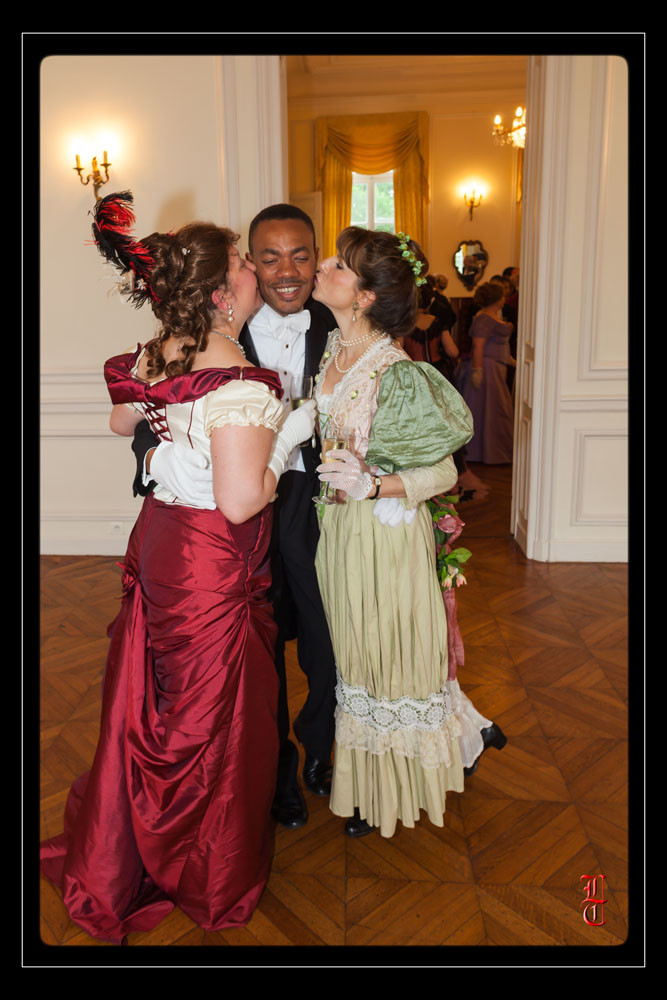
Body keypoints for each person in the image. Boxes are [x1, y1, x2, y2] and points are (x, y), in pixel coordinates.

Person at [39, 192, 317, 944]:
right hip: (209, 558)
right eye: (245, 262)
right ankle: (199, 866)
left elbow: (120, 418)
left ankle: (134, 840)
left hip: (161, 537)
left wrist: (172, 431)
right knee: (211, 715)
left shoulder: (160, 350)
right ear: (224, 292)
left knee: (160, 697)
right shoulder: (237, 380)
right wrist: (289, 437)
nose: (256, 272)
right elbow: (240, 501)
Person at [130, 204, 338, 830]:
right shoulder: (210, 332)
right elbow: (147, 419)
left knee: (329, 637)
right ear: (243, 271)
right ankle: (274, 774)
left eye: (300, 255)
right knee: (256, 649)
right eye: (265, 258)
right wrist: (158, 462)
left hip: (321, 503)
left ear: (315, 257)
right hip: (240, 523)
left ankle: (325, 751)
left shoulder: (342, 320)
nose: (285, 271)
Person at [311, 228, 507, 839]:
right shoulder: (335, 349)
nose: (322, 265)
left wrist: (373, 485)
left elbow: (443, 471)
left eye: (338, 265)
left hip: (385, 536)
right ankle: (373, 782)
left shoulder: (395, 371)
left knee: (391, 658)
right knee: (357, 660)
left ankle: (391, 796)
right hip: (340, 532)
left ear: (365, 297)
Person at [457, 281, 515, 464]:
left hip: (496, 365)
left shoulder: (489, 316)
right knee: (490, 411)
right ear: (497, 299)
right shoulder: (483, 318)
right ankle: (485, 453)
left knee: (494, 411)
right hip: (487, 368)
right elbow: (478, 346)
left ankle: (494, 452)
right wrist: (477, 370)